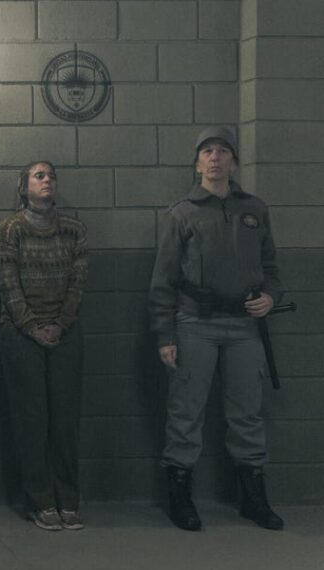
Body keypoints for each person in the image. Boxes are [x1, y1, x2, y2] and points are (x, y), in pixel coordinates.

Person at [149, 126, 284, 532]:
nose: (215, 158)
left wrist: (271, 298)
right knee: (186, 411)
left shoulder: (255, 210)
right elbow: (163, 280)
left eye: (223, 151)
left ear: (234, 162)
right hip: (195, 323)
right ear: (197, 163)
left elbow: (273, 270)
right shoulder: (183, 213)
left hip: (245, 326)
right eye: (207, 152)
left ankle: (253, 497)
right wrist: (165, 335)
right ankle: (179, 495)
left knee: (247, 413)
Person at [0, 161, 89, 531]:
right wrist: (33, 328)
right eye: (39, 175)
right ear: (24, 188)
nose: (47, 180)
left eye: (51, 175)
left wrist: (60, 325)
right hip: (20, 334)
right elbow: (9, 283)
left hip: (65, 333)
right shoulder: (11, 229)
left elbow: (78, 284)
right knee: (31, 420)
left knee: (65, 420)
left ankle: (68, 498)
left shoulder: (74, 230)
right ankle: (41, 500)